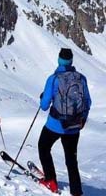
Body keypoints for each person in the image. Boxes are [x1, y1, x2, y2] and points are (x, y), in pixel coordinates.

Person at [38, 48, 91, 196]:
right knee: (71, 159)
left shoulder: (54, 79)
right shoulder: (81, 78)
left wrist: (43, 97)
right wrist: (83, 120)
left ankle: (51, 180)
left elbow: (44, 106)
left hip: (55, 124)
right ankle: (76, 191)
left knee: (43, 147)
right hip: (74, 126)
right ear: (71, 61)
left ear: (59, 60)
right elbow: (87, 102)